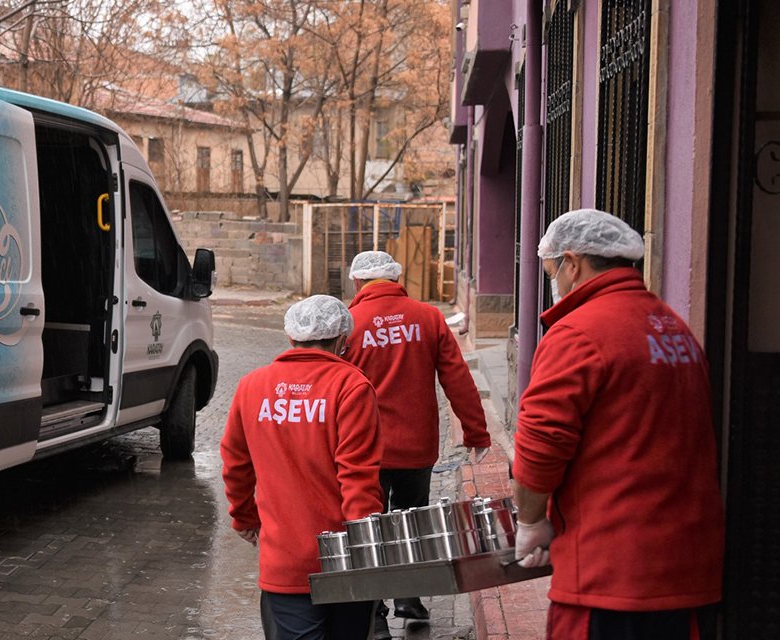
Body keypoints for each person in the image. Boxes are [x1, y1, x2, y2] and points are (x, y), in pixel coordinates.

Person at [512, 209, 724, 639]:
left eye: (553, 270)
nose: (555, 282)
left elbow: (541, 443)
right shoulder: (671, 327)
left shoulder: (578, 332)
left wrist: (532, 521)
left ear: (572, 264)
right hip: (684, 565)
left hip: (610, 573)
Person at [342, 250, 491, 636]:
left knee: (367, 526)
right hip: (416, 444)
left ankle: (373, 614)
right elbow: (457, 378)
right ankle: (409, 601)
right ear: (396, 279)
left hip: (363, 448)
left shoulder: (351, 323)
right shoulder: (428, 317)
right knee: (411, 520)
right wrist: (476, 432)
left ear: (358, 283)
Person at [221, 294, 383, 640]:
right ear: (342, 340)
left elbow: (235, 463)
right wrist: (365, 551)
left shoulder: (252, 386)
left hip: (285, 561)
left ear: (291, 336)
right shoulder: (350, 386)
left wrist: (245, 517)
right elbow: (358, 479)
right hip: (346, 560)